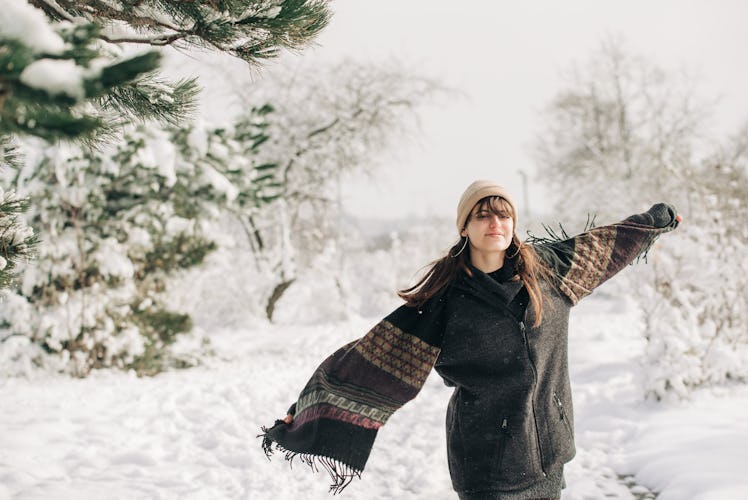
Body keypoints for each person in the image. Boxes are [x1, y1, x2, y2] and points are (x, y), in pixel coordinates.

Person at [260, 180, 681, 499]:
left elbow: (608, 243)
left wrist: (654, 222)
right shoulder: (443, 302)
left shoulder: (552, 271)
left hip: (550, 448)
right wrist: (304, 411)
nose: (495, 223)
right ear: (465, 226)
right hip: (487, 460)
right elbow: (369, 361)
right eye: (483, 215)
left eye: (503, 215)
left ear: (514, 224)